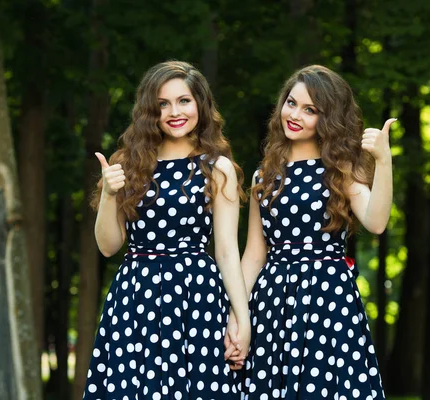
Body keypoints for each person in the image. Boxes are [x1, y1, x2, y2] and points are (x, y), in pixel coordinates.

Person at [84, 60, 250, 399]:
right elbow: (108, 246)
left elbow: (227, 252)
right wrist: (109, 196)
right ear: (149, 110)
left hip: (197, 297)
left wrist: (241, 318)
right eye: (163, 103)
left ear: (200, 105)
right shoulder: (127, 165)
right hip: (136, 297)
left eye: (184, 100)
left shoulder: (217, 169)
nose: (175, 111)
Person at [225, 65, 393, 399]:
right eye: (291, 103)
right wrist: (237, 315)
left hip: (328, 300)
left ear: (328, 118)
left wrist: (384, 161)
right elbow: (254, 256)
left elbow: (376, 222)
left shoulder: (340, 170)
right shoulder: (264, 175)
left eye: (310, 110)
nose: (295, 115)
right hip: (272, 302)